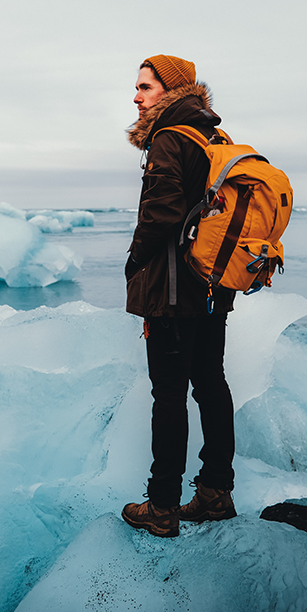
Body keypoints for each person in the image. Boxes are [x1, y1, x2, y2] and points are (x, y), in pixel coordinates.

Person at [120, 55, 238, 539]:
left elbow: (163, 211)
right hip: (214, 283)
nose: (136, 96)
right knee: (210, 383)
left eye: (145, 86)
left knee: (168, 393)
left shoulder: (169, 136)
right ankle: (215, 492)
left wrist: (134, 261)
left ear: (170, 91)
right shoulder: (213, 135)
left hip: (172, 288)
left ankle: (163, 504)